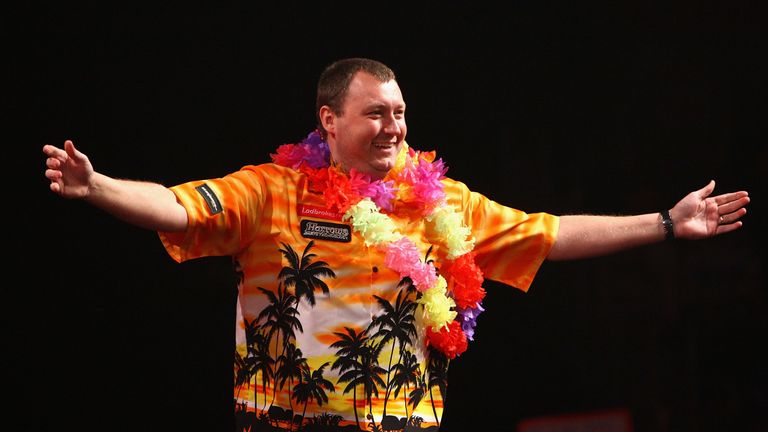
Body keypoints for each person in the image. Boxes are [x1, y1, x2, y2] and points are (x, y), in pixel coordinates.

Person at [43, 57, 749, 432]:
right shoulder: (271, 192)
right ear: (329, 118)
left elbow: (551, 231)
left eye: (402, 113)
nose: (394, 127)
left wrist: (662, 221)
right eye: (376, 113)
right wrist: (99, 185)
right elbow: (175, 206)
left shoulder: (441, 202)